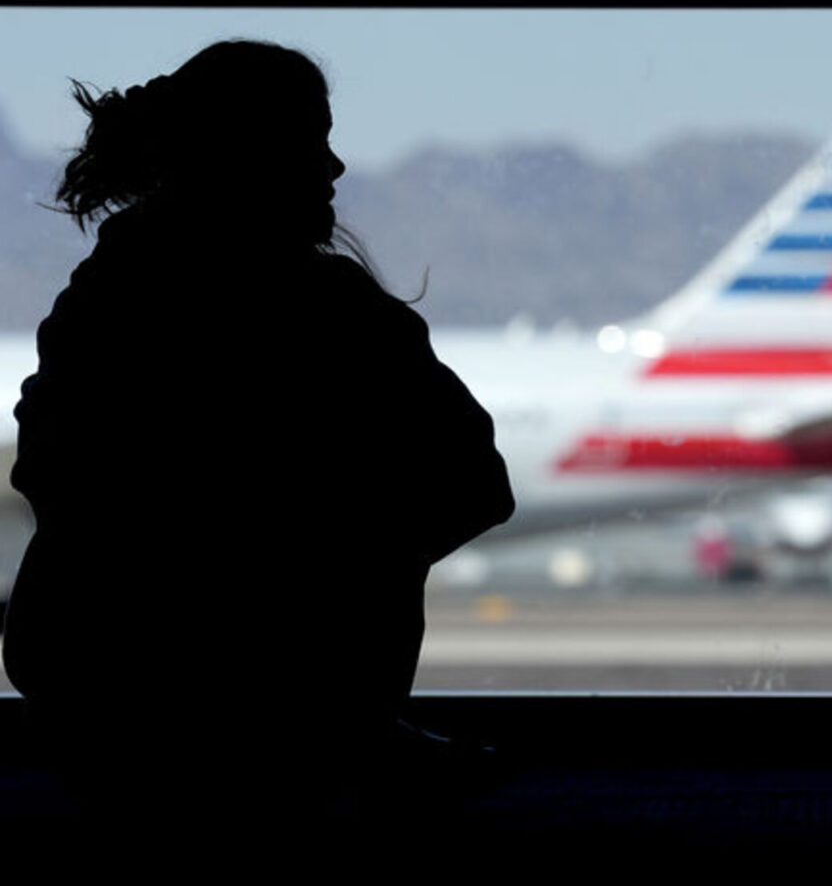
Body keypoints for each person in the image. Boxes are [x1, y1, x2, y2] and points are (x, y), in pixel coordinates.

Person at [1, 40, 515, 822]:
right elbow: (475, 485)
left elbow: (63, 482)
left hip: (93, 720)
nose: (335, 168)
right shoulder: (331, 313)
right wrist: (339, 585)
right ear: (249, 157)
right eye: (313, 142)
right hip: (296, 739)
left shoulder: (99, 303)